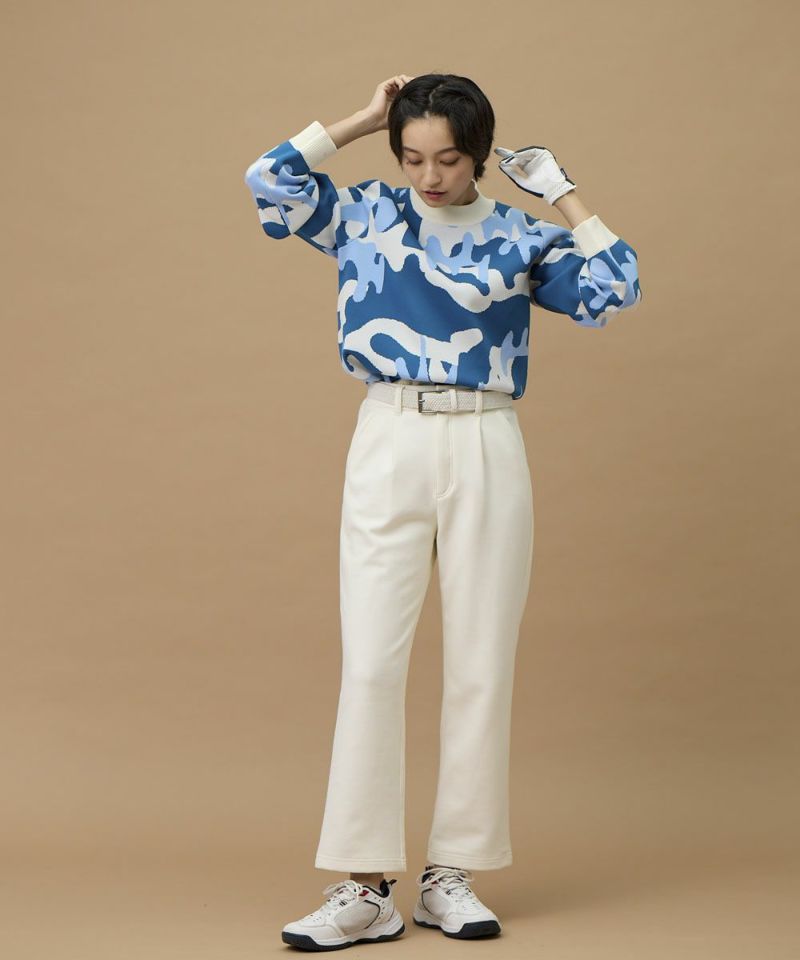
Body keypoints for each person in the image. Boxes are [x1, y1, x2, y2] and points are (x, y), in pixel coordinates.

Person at [243, 72, 642, 951]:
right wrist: (360, 119)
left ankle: (449, 875)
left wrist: (562, 192)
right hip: (388, 433)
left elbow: (615, 288)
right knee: (371, 663)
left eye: (450, 160)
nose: (430, 176)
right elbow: (270, 179)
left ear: (480, 156)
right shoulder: (365, 214)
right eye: (413, 156)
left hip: (486, 439)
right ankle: (364, 886)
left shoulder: (520, 235)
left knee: (481, 662)